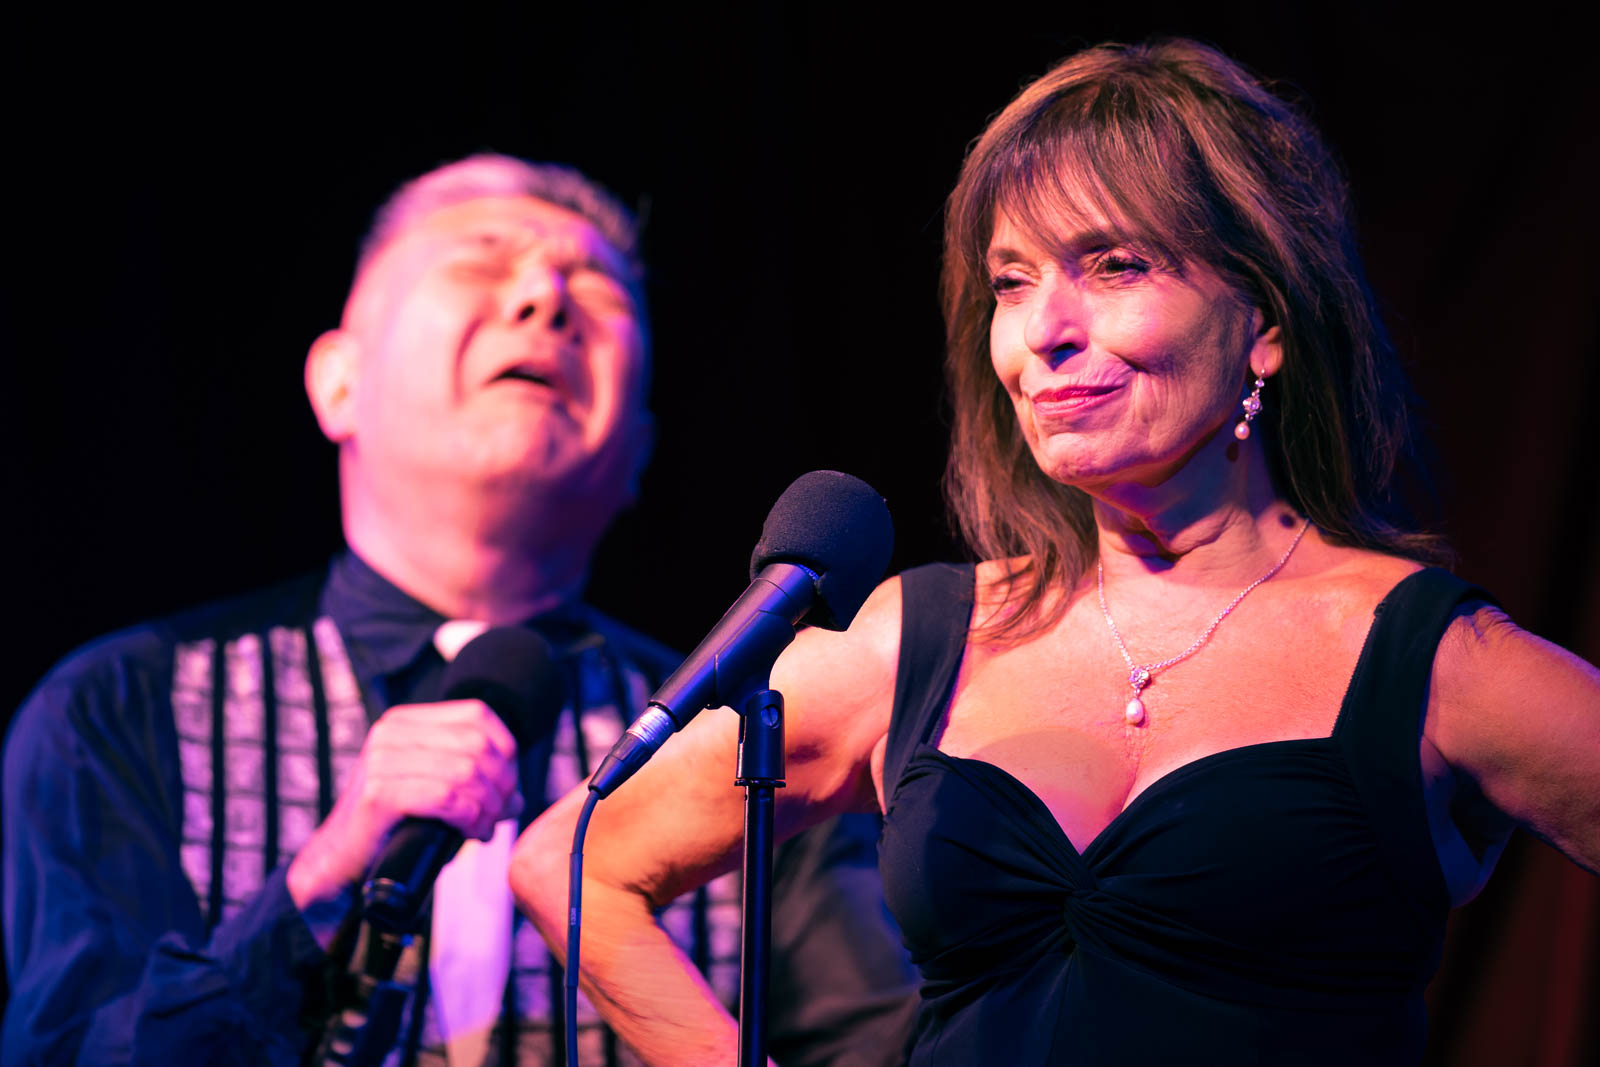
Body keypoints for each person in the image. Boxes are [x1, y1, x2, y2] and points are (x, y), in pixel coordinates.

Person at [506, 39, 1600, 1066]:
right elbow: (575, 859)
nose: (1043, 331)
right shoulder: (922, 639)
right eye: (1012, 281)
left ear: (1263, 322)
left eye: (1114, 265)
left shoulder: (1431, 661)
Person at [2, 155, 916, 1066]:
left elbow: (880, 1043)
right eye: (482, 258)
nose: (545, 299)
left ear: (640, 444)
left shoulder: (746, 734)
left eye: (595, 289)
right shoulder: (125, 707)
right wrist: (316, 882)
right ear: (339, 383)